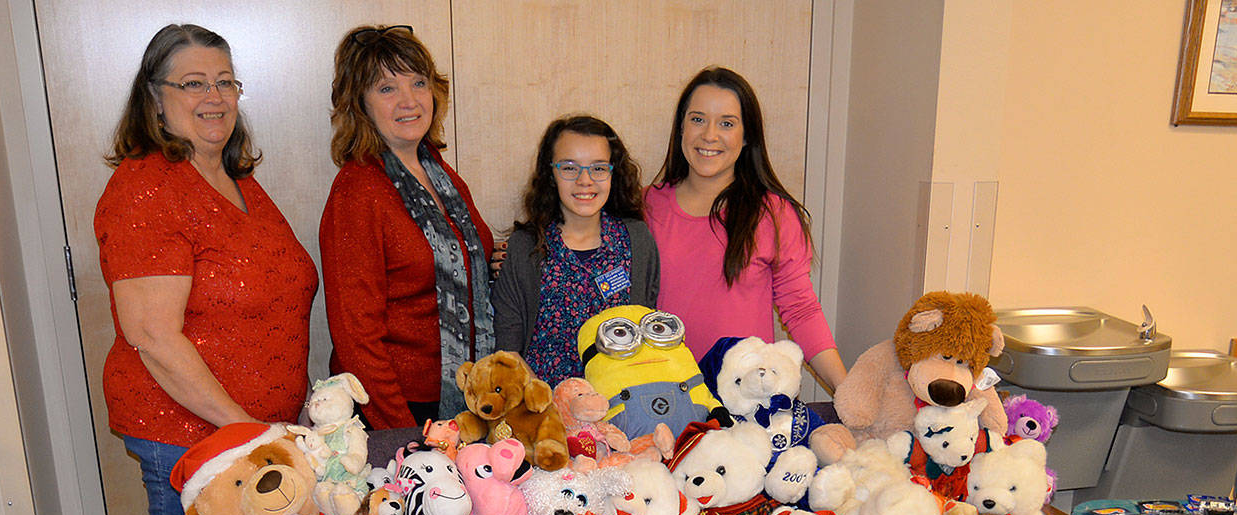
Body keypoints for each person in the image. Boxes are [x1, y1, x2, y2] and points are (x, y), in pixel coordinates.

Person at [94, 24, 317, 515]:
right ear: (154, 101)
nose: (214, 96)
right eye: (193, 83)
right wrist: (242, 427)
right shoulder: (146, 188)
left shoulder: (236, 180)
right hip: (188, 435)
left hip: (249, 436)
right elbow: (153, 333)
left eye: (225, 80)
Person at [320, 25, 494, 428]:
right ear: (359, 103)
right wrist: (403, 433)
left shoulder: (437, 171)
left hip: (459, 398)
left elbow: (454, 258)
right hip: (399, 409)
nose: (409, 101)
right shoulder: (358, 190)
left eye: (418, 82)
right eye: (386, 88)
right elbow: (355, 338)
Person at [646, 66, 847, 389]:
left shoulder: (774, 214)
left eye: (727, 123)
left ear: (746, 136)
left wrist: (847, 393)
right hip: (664, 402)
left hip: (747, 405)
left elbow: (801, 311)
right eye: (697, 119)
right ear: (681, 127)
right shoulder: (646, 208)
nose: (709, 135)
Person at [493, 115, 659, 387]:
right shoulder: (524, 249)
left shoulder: (637, 241)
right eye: (569, 168)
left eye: (598, 168)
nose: (585, 180)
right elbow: (508, 352)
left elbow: (646, 332)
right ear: (550, 174)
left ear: (613, 173)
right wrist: (551, 408)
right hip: (546, 414)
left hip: (622, 408)